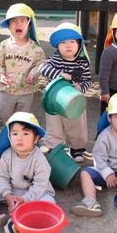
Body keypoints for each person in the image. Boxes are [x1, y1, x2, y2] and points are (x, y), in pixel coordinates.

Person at [0, 112, 56, 233]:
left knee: (49, 202)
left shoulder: (39, 159)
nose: (19, 138)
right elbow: (1, 178)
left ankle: (18, 221)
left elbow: (40, 185)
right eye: (15, 134)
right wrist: (8, 197)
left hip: (35, 194)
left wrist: (25, 199)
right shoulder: (7, 155)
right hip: (13, 192)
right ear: (9, 137)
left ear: (36, 138)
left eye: (25, 134)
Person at [38, 23, 91, 162]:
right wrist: (60, 74)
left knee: (76, 125)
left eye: (72, 41)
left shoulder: (82, 63)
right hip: (54, 100)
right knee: (54, 125)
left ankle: (76, 147)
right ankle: (55, 147)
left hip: (75, 100)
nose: (68, 45)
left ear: (79, 45)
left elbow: (87, 80)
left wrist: (81, 87)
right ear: (57, 47)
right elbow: (42, 68)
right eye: (63, 42)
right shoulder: (54, 60)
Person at [0, 4, 45, 126]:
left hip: (26, 90)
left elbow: (40, 63)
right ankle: (5, 132)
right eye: (14, 21)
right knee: (3, 116)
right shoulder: (2, 47)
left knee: (21, 118)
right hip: (7, 90)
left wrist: (33, 74)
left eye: (23, 21)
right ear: (8, 26)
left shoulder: (35, 49)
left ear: (29, 25)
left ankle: (17, 135)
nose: (18, 24)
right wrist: (1, 75)